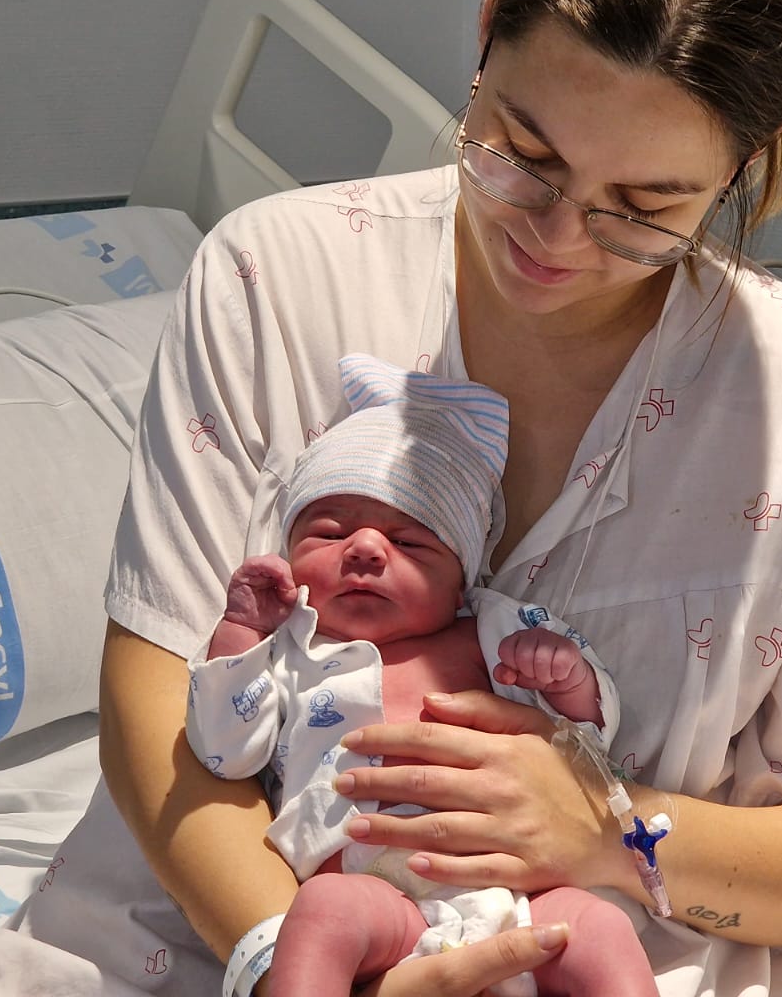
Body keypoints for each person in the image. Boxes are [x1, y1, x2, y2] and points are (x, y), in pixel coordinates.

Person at [0, 0, 782, 997]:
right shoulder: (278, 282)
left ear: (749, 168)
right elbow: (150, 701)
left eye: (644, 208)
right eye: (522, 151)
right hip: (219, 941)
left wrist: (609, 829)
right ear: (492, 16)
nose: (555, 241)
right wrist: (283, 961)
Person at [188, 352, 655, 997]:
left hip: (513, 889)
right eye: (329, 533)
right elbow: (222, 754)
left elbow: (586, 751)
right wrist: (241, 634)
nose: (366, 549)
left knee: (600, 928)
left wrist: (565, 677)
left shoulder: (491, 630)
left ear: (462, 576)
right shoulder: (290, 647)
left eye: (409, 542)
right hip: (371, 893)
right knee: (319, 914)